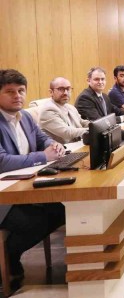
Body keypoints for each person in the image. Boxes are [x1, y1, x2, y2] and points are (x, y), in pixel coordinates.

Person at [0, 70, 66, 280]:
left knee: (60, 211)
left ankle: (8, 257)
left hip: (21, 187)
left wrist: (53, 145)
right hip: (3, 196)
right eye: (10, 91)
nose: (17, 96)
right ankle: (8, 261)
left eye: (21, 91)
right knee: (34, 223)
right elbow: (2, 161)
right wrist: (43, 157)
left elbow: (42, 138)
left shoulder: (26, 116)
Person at [39, 77, 90, 143]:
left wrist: (95, 126)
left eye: (68, 89)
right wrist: (92, 130)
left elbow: (82, 122)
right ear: (51, 92)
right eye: (61, 89)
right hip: (62, 148)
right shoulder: (48, 110)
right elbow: (67, 132)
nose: (66, 93)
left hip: (77, 145)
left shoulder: (70, 107)